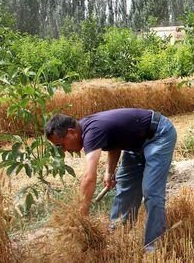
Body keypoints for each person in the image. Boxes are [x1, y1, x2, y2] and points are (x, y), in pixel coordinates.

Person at [45, 108, 177, 252]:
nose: (63, 150)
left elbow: (89, 177)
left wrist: (80, 216)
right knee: (125, 186)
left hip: (158, 134)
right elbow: (114, 140)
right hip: (135, 143)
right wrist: (109, 171)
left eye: (60, 144)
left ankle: (154, 246)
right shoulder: (86, 129)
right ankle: (116, 237)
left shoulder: (91, 132)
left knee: (151, 190)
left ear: (71, 132)